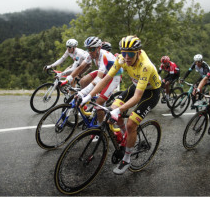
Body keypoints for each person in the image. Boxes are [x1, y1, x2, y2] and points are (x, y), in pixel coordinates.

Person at [80, 35, 161, 174]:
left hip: (151, 92)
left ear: (138, 53)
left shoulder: (145, 66)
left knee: (131, 123)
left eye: (130, 54)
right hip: (136, 86)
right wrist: (87, 96)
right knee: (111, 109)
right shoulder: (121, 59)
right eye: (124, 53)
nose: (127, 57)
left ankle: (127, 159)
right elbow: (106, 79)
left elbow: (137, 97)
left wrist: (119, 111)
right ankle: (125, 136)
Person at [63, 37, 122, 123]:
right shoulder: (91, 54)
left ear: (98, 48)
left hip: (114, 77)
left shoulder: (104, 56)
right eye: (88, 49)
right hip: (105, 72)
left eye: (92, 49)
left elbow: (98, 79)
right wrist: (68, 79)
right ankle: (94, 98)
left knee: (99, 103)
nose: (90, 52)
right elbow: (80, 67)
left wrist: (84, 94)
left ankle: (101, 127)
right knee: (82, 81)